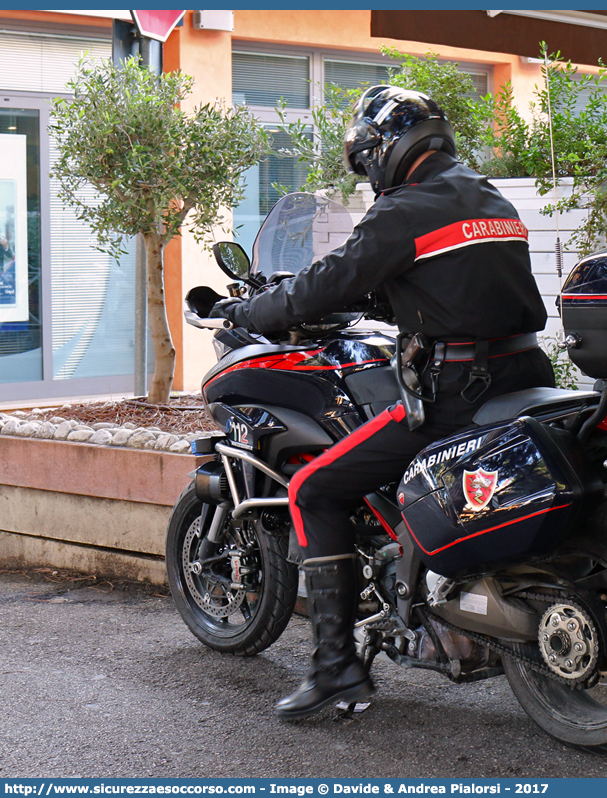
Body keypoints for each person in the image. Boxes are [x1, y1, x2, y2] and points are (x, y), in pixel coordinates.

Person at [209, 85, 555, 720]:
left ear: (386, 150)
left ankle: (335, 667)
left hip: (456, 390)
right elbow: (451, 286)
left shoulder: (405, 208)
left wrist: (247, 310)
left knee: (315, 487)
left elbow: (324, 283)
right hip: (523, 371)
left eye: (367, 158)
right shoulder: (486, 195)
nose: (368, 173)